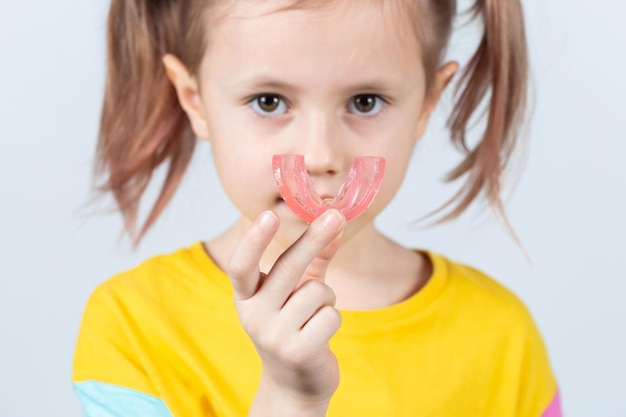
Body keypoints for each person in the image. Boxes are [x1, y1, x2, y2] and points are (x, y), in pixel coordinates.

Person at [72, 1, 563, 416]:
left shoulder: (501, 335)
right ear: (195, 100)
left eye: (366, 102)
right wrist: (288, 397)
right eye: (268, 101)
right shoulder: (134, 324)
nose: (321, 156)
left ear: (427, 103)